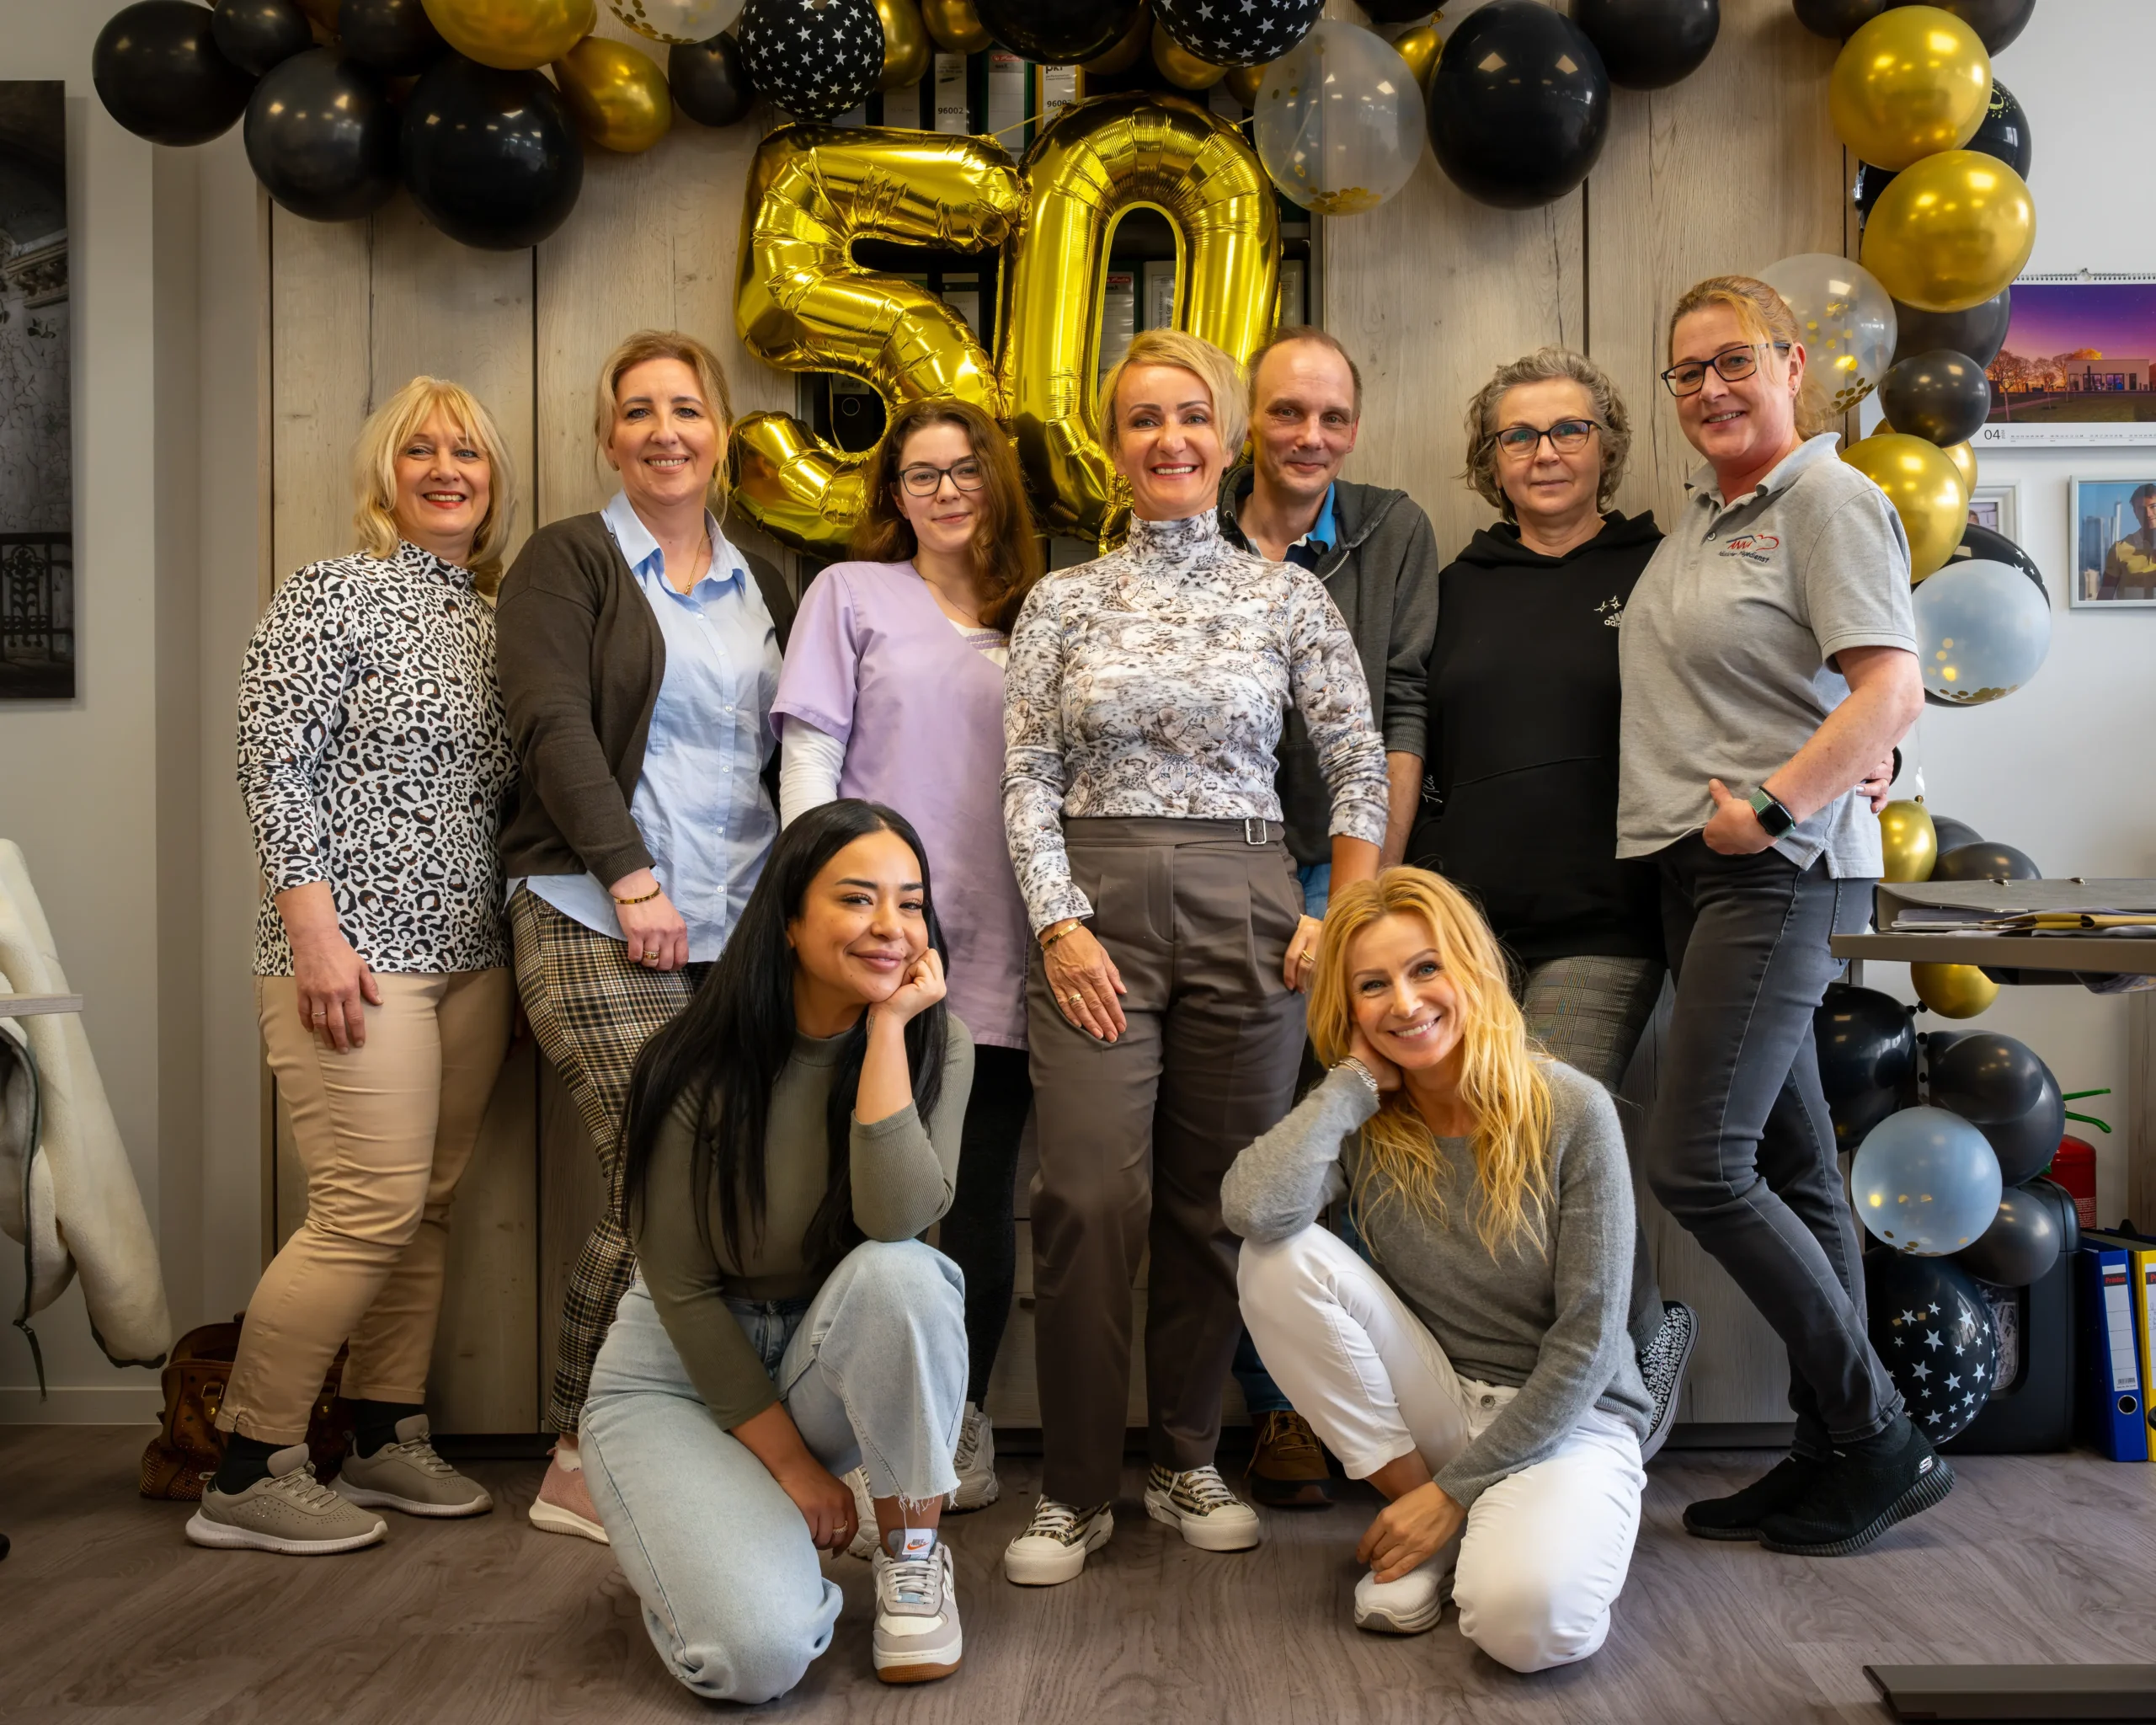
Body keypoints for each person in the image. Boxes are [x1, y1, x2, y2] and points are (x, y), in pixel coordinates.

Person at [1000, 328, 1390, 1584]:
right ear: (1111, 449)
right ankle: (1071, 1491)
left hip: (1250, 908)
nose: (1168, 439)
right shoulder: (1060, 600)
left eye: (1190, 418)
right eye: (1141, 421)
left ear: (1224, 443)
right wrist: (1058, 921)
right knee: (1085, 1200)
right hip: (1097, 911)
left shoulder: (1286, 596)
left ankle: (1182, 1458)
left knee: (1215, 1205)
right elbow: (1026, 778)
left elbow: (1358, 763)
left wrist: (1342, 912)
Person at [1620, 275, 1935, 1556]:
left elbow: (1894, 684)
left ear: (1794, 363)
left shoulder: (1829, 498)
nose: (1708, 389)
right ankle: (1827, 1453)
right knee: (1797, 1166)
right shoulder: (1705, 515)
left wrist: (1775, 805)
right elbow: (1827, 692)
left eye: (1733, 362)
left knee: (1700, 1162)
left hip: (1770, 870)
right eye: (1687, 371)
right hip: (1693, 875)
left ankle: (1877, 1435)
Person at [200, 377, 520, 1555]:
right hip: (351, 956)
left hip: (470, 958)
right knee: (365, 1207)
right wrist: (315, 930)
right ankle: (248, 1461)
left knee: (424, 1210)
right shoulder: (333, 596)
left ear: (493, 482)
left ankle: (386, 1437)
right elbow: (273, 762)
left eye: (469, 453)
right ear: (384, 475)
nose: (447, 468)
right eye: (421, 450)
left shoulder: (491, 619)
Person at [495, 329, 797, 1542]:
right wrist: (629, 881)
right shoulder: (567, 561)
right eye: (638, 411)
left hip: (736, 927)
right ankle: (575, 1449)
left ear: (721, 433)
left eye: (687, 408)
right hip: (591, 912)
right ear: (607, 437)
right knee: (662, 1166)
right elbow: (553, 725)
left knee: (724, 1183)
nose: (664, 429)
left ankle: (677, 1433)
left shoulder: (764, 571)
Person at [582, 799, 974, 1699]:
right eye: (857, 899)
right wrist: (795, 1473)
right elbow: (679, 1289)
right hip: (676, 1374)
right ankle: (723, 1554)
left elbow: (895, 1222)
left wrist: (884, 1033)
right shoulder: (689, 1061)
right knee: (753, 1658)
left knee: (905, 1271)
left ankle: (913, 1551)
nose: (891, 926)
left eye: (910, 903)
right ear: (791, 921)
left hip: (820, 1354)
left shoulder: (935, 1046)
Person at [1222, 868, 1648, 1673]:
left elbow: (1591, 1342)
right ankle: (1433, 1519)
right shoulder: (1366, 1119)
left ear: (1471, 969)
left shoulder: (1573, 1108)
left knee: (1527, 1629)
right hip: (1440, 1403)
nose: (1405, 1003)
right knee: (1275, 1257)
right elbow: (1251, 1209)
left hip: (1568, 1420)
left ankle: (1452, 1519)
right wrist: (1348, 1086)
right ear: (1349, 1011)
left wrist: (1450, 1495)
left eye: (1425, 969)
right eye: (1373, 985)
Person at [1413, 348, 1699, 1450]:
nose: (1544, 453)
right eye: (1518, 437)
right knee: (1481, 1165)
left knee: (1550, 1133)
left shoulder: (1663, 569)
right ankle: (1553, 1386)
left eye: (1567, 431)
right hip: (1469, 929)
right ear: (1489, 460)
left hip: (1606, 921)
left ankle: (1629, 1355)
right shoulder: (1455, 588)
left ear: (1607, 445)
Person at [773, 396, 1043, 1516]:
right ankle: (826, 1434)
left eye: (965, 469)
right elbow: (808, 760)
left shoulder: (1045, 611)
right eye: (920, 473)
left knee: (975, 1199)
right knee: (847, 1200)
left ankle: (958, 1422)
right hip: (878, 947)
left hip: (1010, 945)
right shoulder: (849, 595)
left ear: (999, 486)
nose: (944, 490)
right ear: (892, 495)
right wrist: (823, 922)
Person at [1214, 325, 1440, 1506]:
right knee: (1264, 1140)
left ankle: (1382, 1402)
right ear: (1250, 420)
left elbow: (1400, 712)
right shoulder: (1187, 525)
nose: (1310, 437)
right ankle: (1277, 1414)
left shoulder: (1392, 530)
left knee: (1359, 1136)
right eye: (1288, 413)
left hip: (1343, 868)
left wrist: (1362, 902)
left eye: (1332, 418)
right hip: (1218, 866)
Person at [2095, 482, 2156, 601]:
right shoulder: (2119, 549)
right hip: (2130, 618)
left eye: (2154, 506)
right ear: (2135, 513)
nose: (2148, 514)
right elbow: (2104, 598)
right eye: (2142, 509)